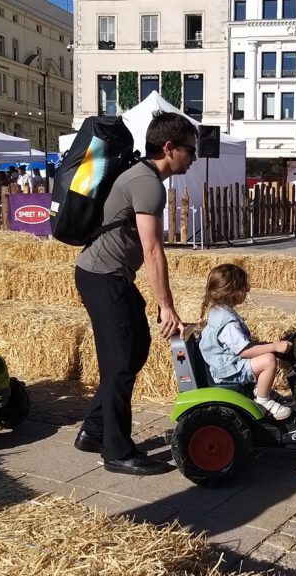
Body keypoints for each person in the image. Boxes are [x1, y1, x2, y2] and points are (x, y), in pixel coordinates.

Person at [73, 111, 195, 476]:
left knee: (136, 346)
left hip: (109, 276)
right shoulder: (147, 183)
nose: (194, 157)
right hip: (102, 277)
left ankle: (95, 431)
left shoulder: (145, 177)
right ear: (169, 147)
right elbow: (153, 250)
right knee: (120, 364)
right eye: (191, 150)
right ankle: (117, 451)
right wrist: (166, 306)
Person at [199, 264, 293, 420]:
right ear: (232, 292)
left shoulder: (220, 312)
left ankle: (261, 392)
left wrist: (268, 344)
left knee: (267, 353)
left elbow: (243, 346)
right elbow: (245, 351)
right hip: (229, 372)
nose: (248, 290)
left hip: (229, 366)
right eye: (244, 287)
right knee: (269, 360)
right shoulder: (227, 322)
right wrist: (275, 347)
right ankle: (263, 401)